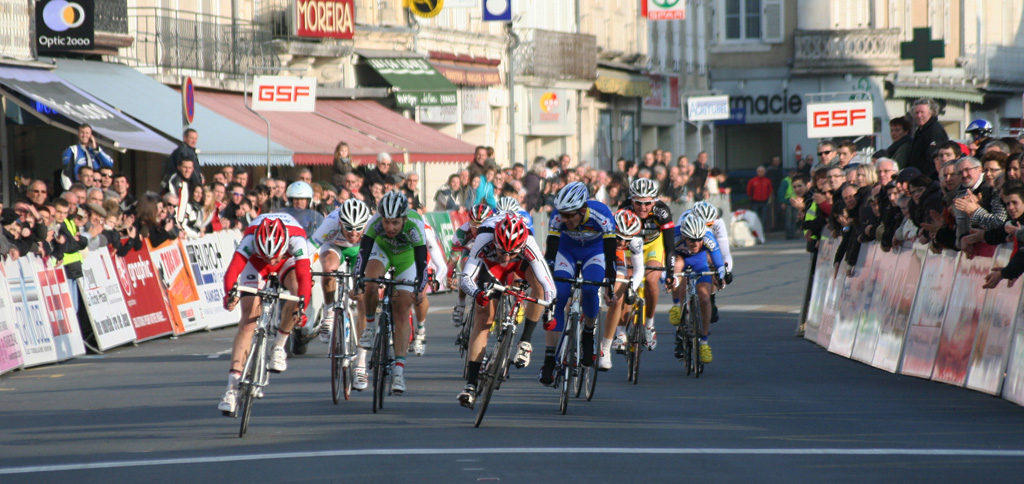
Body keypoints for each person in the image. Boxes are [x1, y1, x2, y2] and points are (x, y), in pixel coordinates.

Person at [455, 213, 556, 406]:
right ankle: (471, 384)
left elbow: (547, 282)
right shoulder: (485, 237)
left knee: (539, 288)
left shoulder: (528, 242)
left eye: (512, 253)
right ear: (495, 242)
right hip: (491, 267)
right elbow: (466, 277)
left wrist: (550, 308)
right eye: (503, 251)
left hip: (520, 266)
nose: (507, 257)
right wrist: (478, 294)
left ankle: (525, 342)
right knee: (483, 319)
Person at [217, 215, 312, 415]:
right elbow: (232, 272)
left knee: (297, 294)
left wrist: (302, 308)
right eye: (267, 255)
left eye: (274, 256)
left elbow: (304, 277)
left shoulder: (297, 239)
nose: (272, 260)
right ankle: (231, 390)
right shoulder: (250, 238)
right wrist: (230, 296)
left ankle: (279, 346)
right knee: (248, 322)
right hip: (256, 264)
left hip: (288, 263)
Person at [350, 191, 428, 394]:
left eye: (395, 222)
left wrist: (419, 288)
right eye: (386, 222)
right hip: (382, 251)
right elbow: (363, 254)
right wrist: (358, 279)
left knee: (402, 308)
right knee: (370, 284)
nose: (390, 227)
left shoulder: (415, 224)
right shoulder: (375, 223)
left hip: (406, 258)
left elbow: (422, 263)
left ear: (403, 218)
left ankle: (399, 372)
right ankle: (368, 326)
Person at [543, 181, 618, 385]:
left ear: (583, 209)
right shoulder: (558, 217)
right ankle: (550, 358)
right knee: (560, 295)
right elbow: (551, 252)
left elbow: (611, 253)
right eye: (562, 214)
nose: (565, 219)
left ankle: (588, 333)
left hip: (594, 252)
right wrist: (547, 279)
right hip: (567, 251)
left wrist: (610, 283)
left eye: (570, 215)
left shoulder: (601, 214)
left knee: (590, 289)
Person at [310, 198, 373, 388]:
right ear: (340, 223)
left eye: (357, 229)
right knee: (328, 269)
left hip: (361, 252)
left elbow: (381, 253)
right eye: (349, 229)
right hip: (334, 247)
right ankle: (329, 312)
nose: (353, 233)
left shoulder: (372, 226)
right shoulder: (330, 222)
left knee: (363, 295)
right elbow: (308, 248)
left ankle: (361, 364)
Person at [618, 178, 674, 349]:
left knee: (651, 280)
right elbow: (618, 240)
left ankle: (649, 324)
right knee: (625, 282)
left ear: (654, 201)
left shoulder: (662, 211)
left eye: (647, 203)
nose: (642, 207)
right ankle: (620, 332)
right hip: (630, 243)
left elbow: (670, 245)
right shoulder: (624, 208)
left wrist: (670, 273)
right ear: (632, 200)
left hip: (652, 244)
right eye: (638, 203)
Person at [670, 214, 725, 364]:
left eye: (699, 239)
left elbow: (719, 263)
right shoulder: (673, 235)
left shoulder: (708, 237)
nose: (696, 243)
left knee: (705, 299)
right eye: (692, 240)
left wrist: (721, 276)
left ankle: (704, 343)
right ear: (683, 236)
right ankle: (677, 307)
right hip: (680, 258)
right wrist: (668, 277)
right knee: (676, 274)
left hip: (699, 262)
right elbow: (665, 259)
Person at [598, 209, 645, 370]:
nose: (622, 243)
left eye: (627, 240)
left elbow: (639, 270)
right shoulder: (602, 228)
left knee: (618, 295)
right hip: (598, 250)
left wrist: (631, 288)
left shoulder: (634, 240)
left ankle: (605, 348)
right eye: (619, 238)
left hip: (617, 258)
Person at [447, 204, 495, 327]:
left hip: (487, 252)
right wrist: (449, 275)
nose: (478, 229)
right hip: (470, 253)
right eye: (474, 225)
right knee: (465, 266)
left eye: (481, 225)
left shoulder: (494, 230)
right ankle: (460, 305)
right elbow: (453, 259)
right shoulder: (462, 233)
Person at [61, 124, 114, 189]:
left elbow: (109, 164)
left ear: (91, 135)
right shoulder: (72, 150)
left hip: (96, 189)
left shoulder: (96, 151)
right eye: (82, 132)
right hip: (79, 188)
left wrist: (96, 149)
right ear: (78, 134)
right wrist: (69, 190)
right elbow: (66, 173)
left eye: (87, 133)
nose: (84, 135)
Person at [908, 99, 949, 178]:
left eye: (922, 112)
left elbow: (932, 160)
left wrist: (923, 180)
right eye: (916, 113)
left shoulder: (935, 130)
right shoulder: (920, 130)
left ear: (931, 112)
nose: (919, 115)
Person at [747, 166, 773, 232]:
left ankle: (761, 232)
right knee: (755, 217)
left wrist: (768, 198)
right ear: (757, 172)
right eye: (759, 171)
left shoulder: (767, 181)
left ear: (764, 172)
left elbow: (770, 190)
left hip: (764, 201)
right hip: (755, 202)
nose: (761, 173)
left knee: (763, 218)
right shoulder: (752, 181)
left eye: (762, 171)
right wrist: (752, 198)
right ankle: (755, 231)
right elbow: (749, 191)